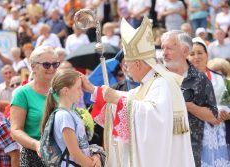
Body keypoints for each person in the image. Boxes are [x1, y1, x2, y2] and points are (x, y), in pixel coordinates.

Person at [82, 17, 195, 167]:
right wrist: (94, 90)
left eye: (127, 64)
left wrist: (117, 99)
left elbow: (154, 118)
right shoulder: (151, 82)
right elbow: (132, 98)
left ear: (137, 63)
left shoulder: (161, 84)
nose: (126, 68)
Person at [161, 30, 219, 167]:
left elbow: (213, 116)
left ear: (185, 50)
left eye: (169, 48)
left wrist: (187, 105)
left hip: (190, 151)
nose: (164, 53)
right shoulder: (157, 77)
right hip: (161, 150)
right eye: (163, 47)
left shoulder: (201, 79)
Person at [40, 69, 103, 166]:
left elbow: (82, 146)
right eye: (78, 88)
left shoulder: (71, 113)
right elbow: (76, 155)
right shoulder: (64, 116)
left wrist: (96, 156)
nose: (81, 93)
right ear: (66, 91)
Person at [10, 46, 60, 166]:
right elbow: (15, 130)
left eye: (55, 64)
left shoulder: (63, 90)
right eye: (47, 65)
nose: (52, 68)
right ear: (33, 66)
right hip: (34, 157)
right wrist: (36, 144)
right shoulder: (22, 93)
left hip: (63, 155)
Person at [188, 37, 230, 166]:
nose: (196, 57)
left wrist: (226, 113)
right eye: (192, 53)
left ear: (207, 55)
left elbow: (227, 102)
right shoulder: (183, 80)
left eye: (200, 53)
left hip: (219, 131)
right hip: (196, 134)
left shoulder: (220, 79)